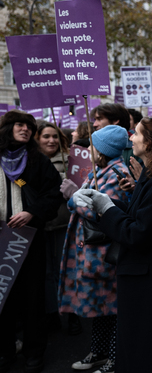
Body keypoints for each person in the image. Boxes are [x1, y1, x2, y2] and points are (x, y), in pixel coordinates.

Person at [72, 116, 152, 373]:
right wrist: (105, 202)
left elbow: (140, 233)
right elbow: (139, 215)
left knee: (151, 348)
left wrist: (106, 209)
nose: (131, 138)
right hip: (147, 276)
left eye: (137, 134)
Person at [58, 125, 130, 373]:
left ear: (103, 150)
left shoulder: (117, 173)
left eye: (92, 145)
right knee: (101, 308)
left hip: (103, 253)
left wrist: (72, 197)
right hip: (90, 252)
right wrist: (76, 197)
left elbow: (103, 211)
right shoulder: (101, 170)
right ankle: (98, 352)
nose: (88, 149)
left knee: (112, 308)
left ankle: (113, 358)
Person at [0, 111, 62, 373]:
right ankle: (4, 350)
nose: (25, 129)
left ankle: (34, 352)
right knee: (3, 297)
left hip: (27, 238)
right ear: (7, 128)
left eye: (29, 126)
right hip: (0, 238)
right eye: (19, 125)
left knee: (32, 297)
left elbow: (53, 193)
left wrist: (32, 213)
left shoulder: (37, 160)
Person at [34, 121, 71, 332]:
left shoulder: (69, 161)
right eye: (46, 136)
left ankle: (71, 314)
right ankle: (51, 314)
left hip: (63, 224)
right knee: (46, 273)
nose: (51, 140)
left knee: (64, 270)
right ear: (37, 139)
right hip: (39, 226)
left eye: (55, 136)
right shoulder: (28, 162)